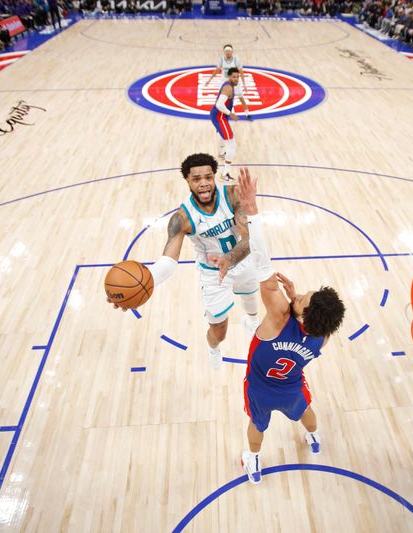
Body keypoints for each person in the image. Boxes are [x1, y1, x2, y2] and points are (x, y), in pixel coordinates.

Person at [220, 168, 345, 484]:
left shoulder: (278, 315)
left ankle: (254, 460)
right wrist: (297, 300)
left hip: (260, 388)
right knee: (306, 412)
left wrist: (253, 212)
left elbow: (262, 262)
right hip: (291, 386)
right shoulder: (323, 336)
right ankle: (314, 438)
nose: (301, 292)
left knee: (256, 426)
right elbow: (309, 321)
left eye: (304, 296)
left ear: (301, 314)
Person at [108, 153, 260, 369]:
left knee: (251, 299)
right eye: (197, 179)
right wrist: (142, 283)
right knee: (219, 332)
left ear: (214, 177)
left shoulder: (233, 195)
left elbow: (248, 238)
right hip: (213, 272)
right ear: (188, 181)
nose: (204, 183)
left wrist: (230, 257)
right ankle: (213, 349)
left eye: (208, 177)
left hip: (240, 260)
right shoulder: (182, 218)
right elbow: (169, 261)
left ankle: (251, 321)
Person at [209, 68, 241, 181]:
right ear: (229, 77)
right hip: (220, 117)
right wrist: (230, 114)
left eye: (237, 77)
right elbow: (219, 104)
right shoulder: (228, 88)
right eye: (234, 77)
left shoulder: (228, 85)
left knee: (222, 135)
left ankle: (221, 153)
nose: (236, 79)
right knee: (232, 145)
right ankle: (225, 174)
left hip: (216, 115)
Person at [205, 44, 252, 118]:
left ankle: (247, 114)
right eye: (226, 51)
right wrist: (209, 80)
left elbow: (241, 72)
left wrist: (244, 84)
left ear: (232, 51)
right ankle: (223, 114)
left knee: (241, 98)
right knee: (222, 100)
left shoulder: (236, 60)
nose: (228, 52)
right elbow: (217, 70)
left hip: (235, 83)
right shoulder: (221, 60)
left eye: (229, 51)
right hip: (225, 83)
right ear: (224, 52)